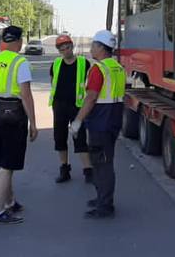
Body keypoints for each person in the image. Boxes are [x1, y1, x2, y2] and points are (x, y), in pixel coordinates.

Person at [0, 25, 38, 224]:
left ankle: (9, 202)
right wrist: (33, 123)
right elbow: (26, 95)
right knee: (7, 166)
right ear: (19, 41)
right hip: (13, 118)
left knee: (3, 160)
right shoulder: (20, 62)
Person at [70, 29, 127, 219]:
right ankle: (102, 197)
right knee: (104, 160)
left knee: (102, 163)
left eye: (94, 45)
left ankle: (105, 205)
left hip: (101, 120)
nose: (91, 49)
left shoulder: (98, 69)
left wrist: (77, 121)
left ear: (102, 48)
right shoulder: (117, 67)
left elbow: (91, 97)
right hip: (114, 118)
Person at [49, 34, 92, 183]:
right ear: (59, 50)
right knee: (59, 138)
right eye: (62, 49)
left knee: (80, 138)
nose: (65, 51)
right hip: (59, 106)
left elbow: (89, 83)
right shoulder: (55, 64)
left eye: (67, 47)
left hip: (77, 106)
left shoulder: (83, 63)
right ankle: (64, 170)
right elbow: (52, 82)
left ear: (72, 47)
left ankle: (88, 171)